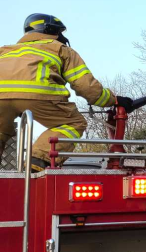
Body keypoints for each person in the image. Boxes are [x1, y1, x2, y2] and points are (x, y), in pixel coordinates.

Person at [0, 13, 133, 168]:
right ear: (50, 30)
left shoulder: (5, 50)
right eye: (59, 32)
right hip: (39, 95)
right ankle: (37, 160)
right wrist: (114, 100)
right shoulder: (61, 49)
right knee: (74, 123)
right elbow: (87, 87)